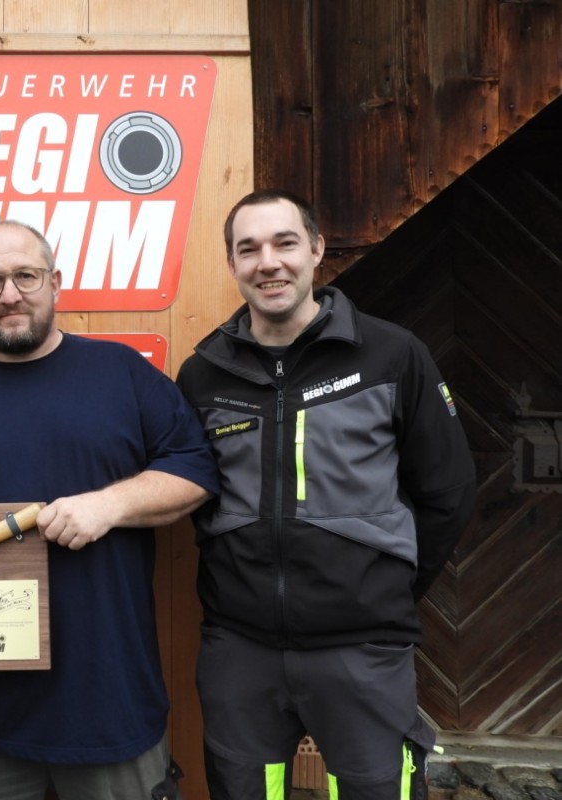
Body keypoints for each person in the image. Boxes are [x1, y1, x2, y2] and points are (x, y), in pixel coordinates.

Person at [0, 219, 220, 800]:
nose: (10, 294)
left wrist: (110, 504)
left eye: (26, 276)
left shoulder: (122, 374)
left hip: (105, 707)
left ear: (56, 282)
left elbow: (195, 471)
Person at [176, 190, 477, 800]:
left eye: (285, 243)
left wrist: (381, 589)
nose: (268, 262)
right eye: (249, 249)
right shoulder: (204, 374)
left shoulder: (391, 355)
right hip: (240, 652)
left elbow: (448, 491)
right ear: (232, 264)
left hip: (362, 650)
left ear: (315, 249)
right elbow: (193, 495)